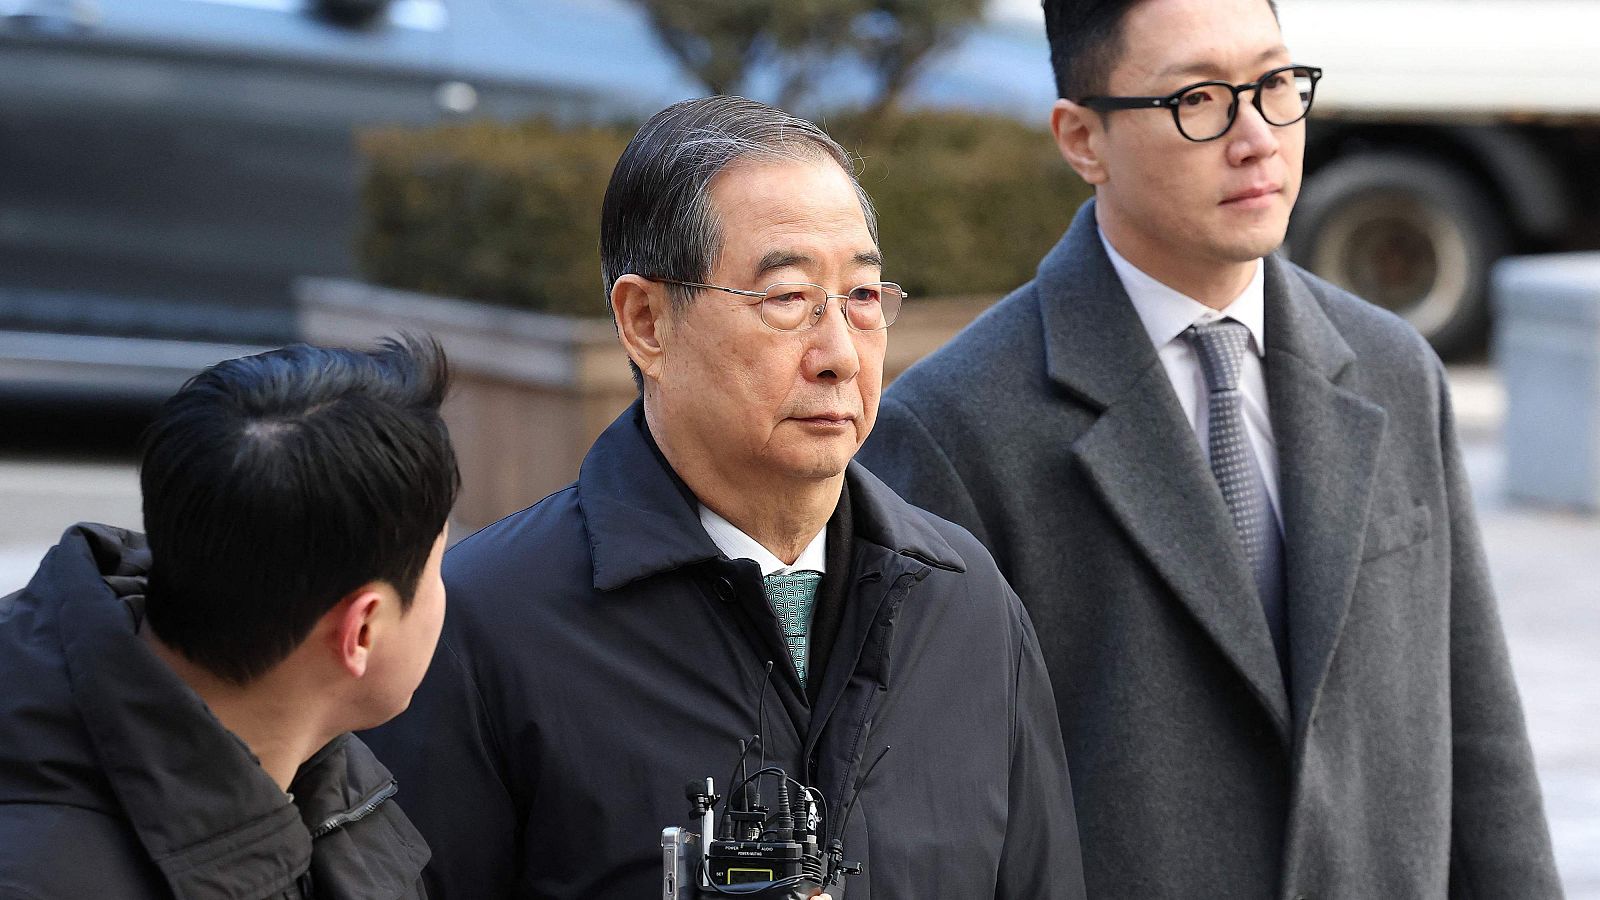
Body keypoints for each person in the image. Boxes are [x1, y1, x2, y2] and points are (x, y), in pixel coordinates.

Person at [857, 0, 1563, 897]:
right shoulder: (952, 428)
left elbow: (1479, 734)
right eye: (1198, 99)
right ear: (1083, 139)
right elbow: (932, 819)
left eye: (1275, 84)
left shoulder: (1393, 368)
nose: (1257, 136)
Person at [361, 95, 1085, 900]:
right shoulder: (484, 627)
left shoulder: (968, 604)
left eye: (864, 297)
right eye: (787, 300)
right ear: (646, 322)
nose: (840, 355)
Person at [0, 337, 460, 899]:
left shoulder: (314, 756)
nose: (446, 594)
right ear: (361, 630)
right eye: (436, 566)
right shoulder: (39, 871)